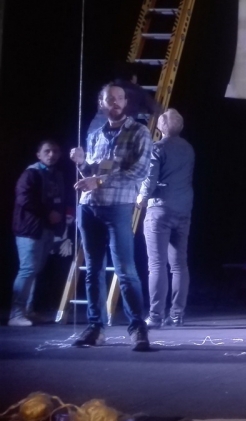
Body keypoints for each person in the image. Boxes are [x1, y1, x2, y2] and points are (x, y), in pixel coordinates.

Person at [69, 84, 152, 351]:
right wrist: (82, 164)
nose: (115, 102)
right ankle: (96, 328)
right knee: (93, 270)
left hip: (118, 207)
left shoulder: (139, 131)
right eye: (109, 99)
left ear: (125, 102)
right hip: (89, 207)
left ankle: (138, 328)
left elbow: (139, 172)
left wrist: (99, 181)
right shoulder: (95, 134)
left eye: (119, 98)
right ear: (101, 103)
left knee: (125, 270)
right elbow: (92, 171)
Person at [138, 109, 195, 328]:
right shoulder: (189, 149)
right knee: (179, 265)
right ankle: (177, 315)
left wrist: (141, 198)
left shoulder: (157, 148)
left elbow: (150, 178)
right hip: (184, 209)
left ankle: (155, 316)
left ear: (160, 126)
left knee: (157, 265)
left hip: (160, 210)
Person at [8, 140, 73, 326]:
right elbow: (24, 198)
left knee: (34, 270)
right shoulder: (31, 173)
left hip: (47, 229)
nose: (51, 155)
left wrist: (61, 223)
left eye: (55, 151)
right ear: (39, 155)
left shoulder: (56, 175)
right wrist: (48, 213)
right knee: (28, 269)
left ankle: (28, 311)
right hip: (30, 230)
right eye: (47, 151)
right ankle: (16, 314)